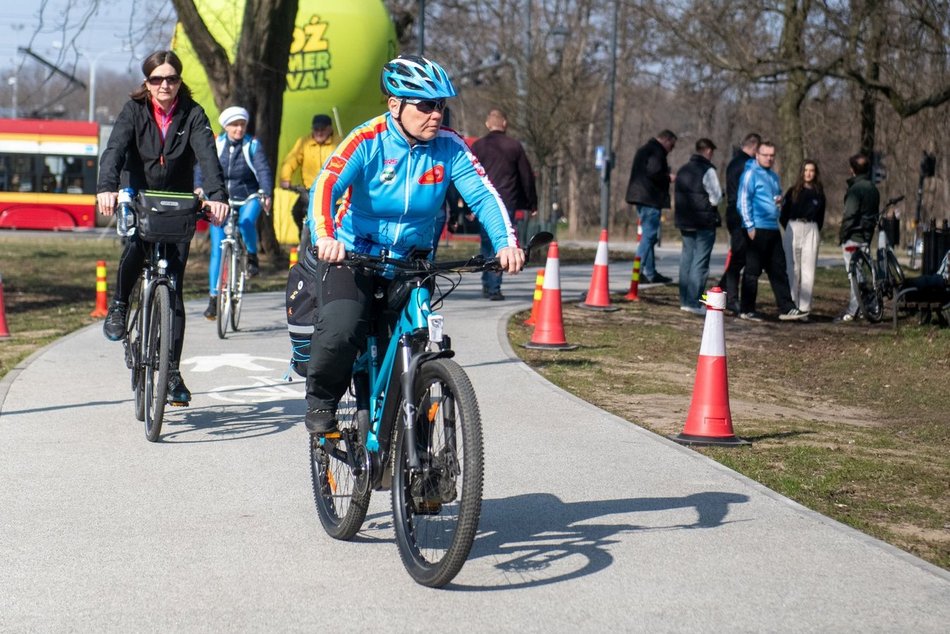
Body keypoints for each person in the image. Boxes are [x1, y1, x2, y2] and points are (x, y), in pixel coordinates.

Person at [303, 54, 524, 435]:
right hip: (354, 256)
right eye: (425, 105)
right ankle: (322, 400)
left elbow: (485, 197)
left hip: (413, 263)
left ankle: (419, 452)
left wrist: (505, 243)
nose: (435, 114)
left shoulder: (450, 148)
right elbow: (326, 184)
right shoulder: (367, 139)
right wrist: (325, 237)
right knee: (341, 329)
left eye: (440, 105)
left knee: (418, 345)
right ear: (395, 105)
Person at [97, 50, 229, 405]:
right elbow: (114, 149)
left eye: (171, 78)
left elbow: (208, 157)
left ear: (179, 81)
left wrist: (218, 197)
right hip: (140, 197)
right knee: (135, 249)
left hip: (178, 205)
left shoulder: (194, 115)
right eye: (157, 79)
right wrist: (106, 188)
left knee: (174, 290)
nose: (164, 85)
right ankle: (121, 305)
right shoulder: (134, 112)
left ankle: (171, 372)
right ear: (147, 83)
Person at [196, 106, 274, 320]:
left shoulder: (252, 145)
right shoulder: (217, 144)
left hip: (249, 195)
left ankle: (251, 255)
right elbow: (202, 168)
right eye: (234, 125)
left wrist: (266, 192)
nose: (239, 129)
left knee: (247, 222)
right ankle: (213, 299)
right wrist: (199, 187)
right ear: (225, 126)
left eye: (242, 125)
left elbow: (263, 170)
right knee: (217, 248)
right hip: (221, 199)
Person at [471, 108, 537, 300]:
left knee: (486, 243)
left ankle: (487, 282)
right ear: (505, 124)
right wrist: (531, 203)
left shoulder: (478, 146)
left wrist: (467, 206)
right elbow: (526, 177)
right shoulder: (514, 146)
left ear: (487, 124)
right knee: (502, 244)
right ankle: (494, 288)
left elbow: (469, 176)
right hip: (507, 201)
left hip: (482, 202)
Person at [737, 141, 808, 322]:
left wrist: (779, 202)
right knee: (752, 270)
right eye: (765, 155)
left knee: (779, 269)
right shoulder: (750, 174)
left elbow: (776, 199)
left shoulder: (773, 177)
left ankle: (787, 308)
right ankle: (746, 309)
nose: (769, 158)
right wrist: (749, 226)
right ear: (757, 155)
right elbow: (743, 201)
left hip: (772, 228)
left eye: (772, 155)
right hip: (757, 229)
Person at [673, 138, 722, 315]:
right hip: (704, 222)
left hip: (685, 221)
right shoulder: (708, 170)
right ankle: (694, 302)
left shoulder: (683, 170)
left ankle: (685, 300)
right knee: (700, 262)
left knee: (686, 259)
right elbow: (716, 198)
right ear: (708, 151)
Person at [625, 129, 676, 284]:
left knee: (649, 236)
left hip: (641, 197)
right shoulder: (656, 151)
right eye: (672, 146)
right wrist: (668, 177)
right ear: (666, 140)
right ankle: (637, 270)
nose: (671, 150)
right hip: (650, 198)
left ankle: (650, 272)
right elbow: (654, 172)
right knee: (648, 237)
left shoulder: (645, 149)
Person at [718, 132, 761, 314]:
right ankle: (731, 298)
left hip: (733, 213)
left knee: (739, 257)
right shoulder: (747, 164)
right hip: (741, 215)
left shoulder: (734, 163)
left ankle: (720, 291)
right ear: (754, 147)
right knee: (738, 258)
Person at [279, 114, 338, 243]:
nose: (319, 132)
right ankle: (303, 235)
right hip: (309, 190)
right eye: (316, 129)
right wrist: (285, 178)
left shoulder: (338, 143)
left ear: (330, 129)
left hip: (333, 191)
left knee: (336, 218)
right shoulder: (304, 142)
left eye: (322, 129)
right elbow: (291, 160)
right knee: (296, 212)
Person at [836, 153, 880, 322]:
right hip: (866, 236)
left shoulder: (855, 190)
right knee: (863, 272)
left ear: (852, 169)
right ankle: (868, 305)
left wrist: (842, 234)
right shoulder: (873, 189)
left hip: (853, 235)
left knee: (853, 273)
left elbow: (850, 214)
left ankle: (853, 309)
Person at [780, 159, 826, 316]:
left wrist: (812, 230)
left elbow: (821, 218)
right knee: (792, 269)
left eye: (811, 170)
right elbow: (783, 214)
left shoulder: (819, 194)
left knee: (808, 270)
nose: (808, 173)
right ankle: (791, 306)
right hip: (793, 228)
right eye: (806, 170)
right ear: (801, 172)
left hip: (811, 229)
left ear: (815, 173)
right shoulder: (793, 191)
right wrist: (791, 227)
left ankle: (805, 308)